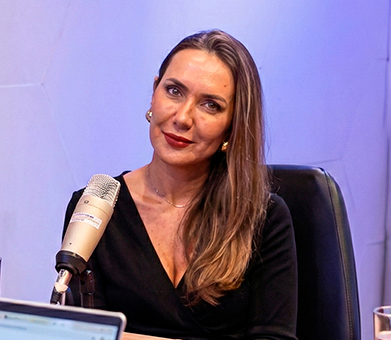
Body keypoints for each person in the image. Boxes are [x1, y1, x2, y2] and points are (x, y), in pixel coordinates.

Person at [63, 30, 297, 340]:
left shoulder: (263, 217)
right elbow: (84, 334)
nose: (183, 117)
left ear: (233, 125)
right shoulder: (96, 207)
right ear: (154, 93)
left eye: (210, 105)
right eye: (174, 91)